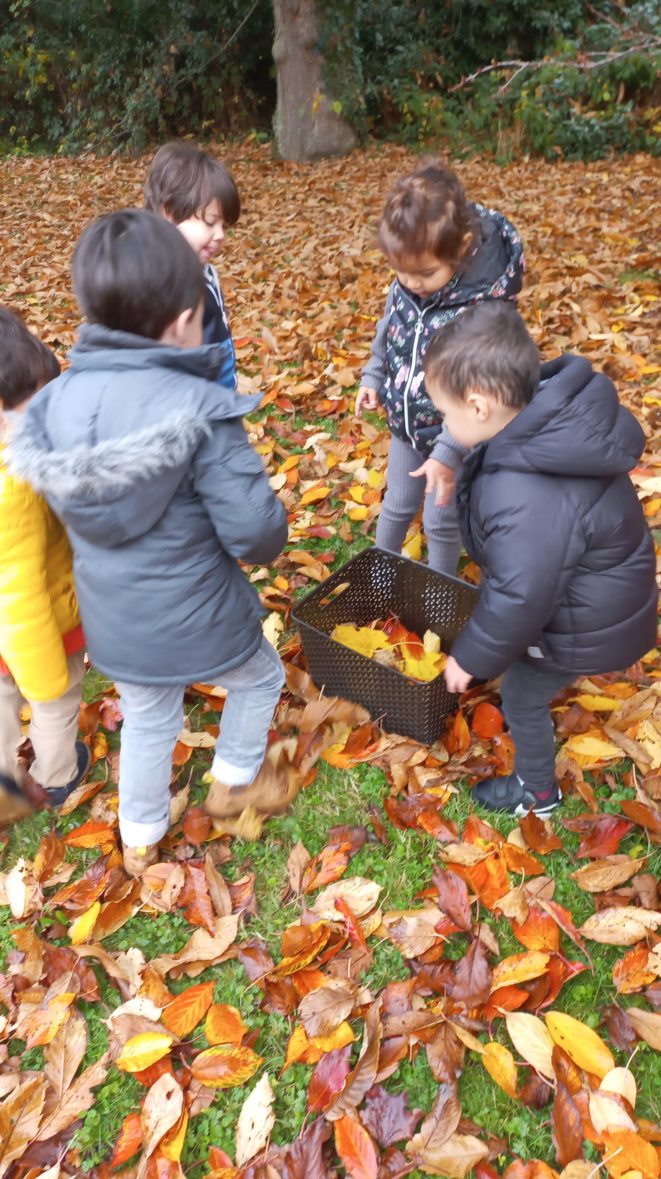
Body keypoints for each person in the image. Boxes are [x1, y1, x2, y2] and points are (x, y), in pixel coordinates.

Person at [8, 210, 291, 875]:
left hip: (115, 620)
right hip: (201, 612)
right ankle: (234, 782)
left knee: (149, 715)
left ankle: (138, 835)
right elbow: (256, 532)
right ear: (179, 322)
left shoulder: (51, 406)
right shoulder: (197, 406)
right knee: (259, 677)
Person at [422, 301, 657, 816]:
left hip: (582, 620)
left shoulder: (524, 493)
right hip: (597, 592)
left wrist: (472, 657)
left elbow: (522, 594)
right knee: (518, 660)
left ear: (480, 406)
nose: (444, 421)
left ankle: (537, 793)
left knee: (523, 695)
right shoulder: (542, 424)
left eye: (446, 412)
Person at [356, 159, 524, 574]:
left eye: (425, 273)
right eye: (401, 271)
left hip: (455, 435)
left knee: (440, 519)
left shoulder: (481, 312)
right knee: (396, 503)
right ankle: (381, 572)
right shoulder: (410, 280)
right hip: (407, 425)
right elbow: (390, 329)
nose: (411, 282)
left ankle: (439, 586)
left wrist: (449, 451)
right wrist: (374, 373)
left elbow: (482, 393)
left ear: (463, 247)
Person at [0, 309, 90, 824]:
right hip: (41, 628)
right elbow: (18, 592)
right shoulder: (16, 480)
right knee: (54, 705)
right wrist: (46, 674)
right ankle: (57, 775)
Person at [144, 140, 240, 389]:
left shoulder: (204, 269)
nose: (220, 235)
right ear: (170, 213)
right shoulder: (163, 283)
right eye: (210, 222)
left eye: (224, 226)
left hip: (219, 383)